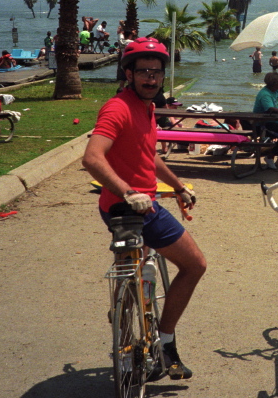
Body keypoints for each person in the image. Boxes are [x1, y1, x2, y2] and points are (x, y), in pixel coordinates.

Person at [82, 38, 204, 381]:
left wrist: (178, 186)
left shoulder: (147, 107)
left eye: (156, 72)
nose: (150, 78)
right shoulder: (118, 108)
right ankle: (166, 345)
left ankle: (124, 311)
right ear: (128, 73)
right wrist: (128, 190)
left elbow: (146, 154)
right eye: (143, 72)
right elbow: (92, 158)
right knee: (195, 265)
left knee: (133, 277)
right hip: (134, 208)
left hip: (120, 208)